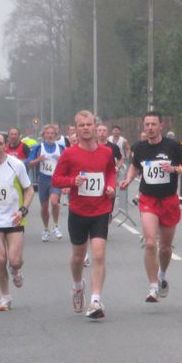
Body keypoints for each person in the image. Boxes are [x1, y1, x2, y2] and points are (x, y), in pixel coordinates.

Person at [119, 112, 182, 303]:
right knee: (151, 242)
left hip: (169, 200)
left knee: (166, 248)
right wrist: (128, 179)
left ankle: (161, 274)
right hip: (148, 199)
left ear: (161, 125)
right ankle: (152, 287)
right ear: (143, 127)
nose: (150, 127)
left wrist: (176, 169)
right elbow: (135, 166)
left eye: (153, 124)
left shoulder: (174, 147)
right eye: (147, 124)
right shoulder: (140, 148)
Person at [52, 111, 117, 319]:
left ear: (95, 126)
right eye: (82, 125)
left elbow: (111, 172)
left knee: (98, 254)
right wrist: (72, 182)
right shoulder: (69, 154)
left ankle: (95, 300)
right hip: (78, 211)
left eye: (89, 124)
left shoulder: (106, 152)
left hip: (101, 209)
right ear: (76, 129)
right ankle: (78, 286)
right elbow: (56, 179)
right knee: (78, 257)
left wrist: (110, 186)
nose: (86, 128)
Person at [0, 132, 34, 311]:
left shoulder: (16, 164)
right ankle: (5, 297)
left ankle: (16, 270)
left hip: (14, 219)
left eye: (0, 143)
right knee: (0, 259)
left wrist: (23, 210)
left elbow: (29, 189)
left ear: (5, 145)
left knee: (14, 260)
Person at [27, 124, 66, 241]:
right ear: (43, 135)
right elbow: (29, 164)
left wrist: (61, 161)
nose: (50, 135)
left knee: (54, 202)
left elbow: (68, 165)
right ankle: (45, 229)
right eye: (47, 133)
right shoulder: (38, 148)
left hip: (55, 179)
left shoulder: (61, 148)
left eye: (52, 133)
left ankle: (56, 226)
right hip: (43, 180)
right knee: (44, 208)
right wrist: (38, 160)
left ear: (55, 135)